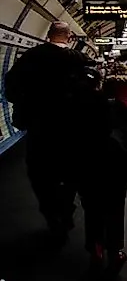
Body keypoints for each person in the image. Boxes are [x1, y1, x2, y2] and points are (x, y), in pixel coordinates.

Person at [3, 21, 94, 245]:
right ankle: (66, 209)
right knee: (72, 172)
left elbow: (11, 89)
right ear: (70, 37)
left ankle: (52, 215)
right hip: (74, 131)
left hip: (40, 129)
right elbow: (93, 96)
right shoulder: (80, 60)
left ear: (48, 34)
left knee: (41, 175)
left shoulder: (30, 57)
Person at [79, 62, 127, 276]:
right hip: (115, 172)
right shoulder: (121, 112)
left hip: (87, 169)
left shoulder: (86, 108)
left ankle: (95, 250)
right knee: (115, 211)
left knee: (92, 211)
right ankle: (115, 252)